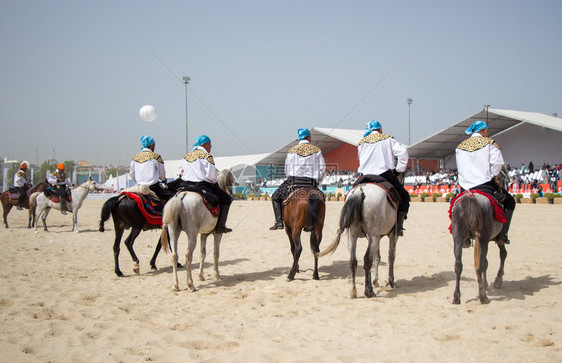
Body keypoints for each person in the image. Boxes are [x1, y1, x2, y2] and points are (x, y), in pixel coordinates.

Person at [455, 120, 515, 244]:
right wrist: (493, 176)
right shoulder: (490, 143)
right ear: (481, 131)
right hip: (484, 184)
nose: (487, 133)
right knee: (510, 201)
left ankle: (464, 237)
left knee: (454, 206)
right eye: (486, 131)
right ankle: (502, 235)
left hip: (465, 186)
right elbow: (498, 163)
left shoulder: (460, 146)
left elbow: (460, 167)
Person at [353, 120, 410, 236]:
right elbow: (403, 153)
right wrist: (399, 170)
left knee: (351, 196)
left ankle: (356, 225)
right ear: (380, 130)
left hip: (364, 177)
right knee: (404, 196)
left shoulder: (361, 142)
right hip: (383, 175)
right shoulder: (388, 139)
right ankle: (398, 227)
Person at [269, 128, 326, 230]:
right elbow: (322, 169)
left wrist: (290, 179)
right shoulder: (317, 150)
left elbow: (287, 169)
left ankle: (279, 222)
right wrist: (317, 182)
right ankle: (314, 222)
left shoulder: (292, 150)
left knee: (275, 197)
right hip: (310, 182)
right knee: (322, 198)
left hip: (294, 181)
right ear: (309, 137)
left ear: (299, 138)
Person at [179, 135, 232, 234]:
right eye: (210, 145)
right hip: (201, 185)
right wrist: (214, 182)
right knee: (226, 198)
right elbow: (211, 176)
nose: (210, 147)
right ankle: (220, 226)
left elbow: (182, 172)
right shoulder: (207, 156)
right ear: (204, 144)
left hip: (185, 184)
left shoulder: (187, 156)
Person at [129, 135, 174, 203]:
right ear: (151, 145)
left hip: (139, 186)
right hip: (153, 187)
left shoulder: (135, 158)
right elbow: (161, 172)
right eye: (154, 145)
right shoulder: (155, 157)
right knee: (173, 198)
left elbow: (131, 173)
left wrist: (138, 181)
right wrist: (163, 179)